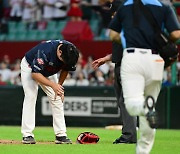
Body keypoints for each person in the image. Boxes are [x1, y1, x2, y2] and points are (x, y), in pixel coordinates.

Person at [108, 0, 180, 153]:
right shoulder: (165, 5)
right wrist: (163, 43)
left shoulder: (125, 5)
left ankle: (146, 109)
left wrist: (126, 40)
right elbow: (175, 34)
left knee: (133, 104)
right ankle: (143, 150)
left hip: (132, 57)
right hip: (155, 58)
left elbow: (113, 34)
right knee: (150, 104)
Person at [92, 0, 137, 144]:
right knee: (122, 102)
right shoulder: (120, 30)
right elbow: (119, 50)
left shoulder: (128, 28)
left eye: (114, 13)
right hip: (119, 63)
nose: (112, 17)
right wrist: (106, 58)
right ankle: (129, 134)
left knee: (126, 101)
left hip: (127, 65)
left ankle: (129, 135)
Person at [20, 40, 79, 144]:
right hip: (30, 68)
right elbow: (35, 74)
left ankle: (61, 135)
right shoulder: (45, 51)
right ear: (59, 52)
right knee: (31, 96)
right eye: (63, 60)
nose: (64, 62)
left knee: (57, 99)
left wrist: (59, 86)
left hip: (49, 70)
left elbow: (66, 69)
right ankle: (27, 134)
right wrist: (53, 85)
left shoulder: (70, 52)